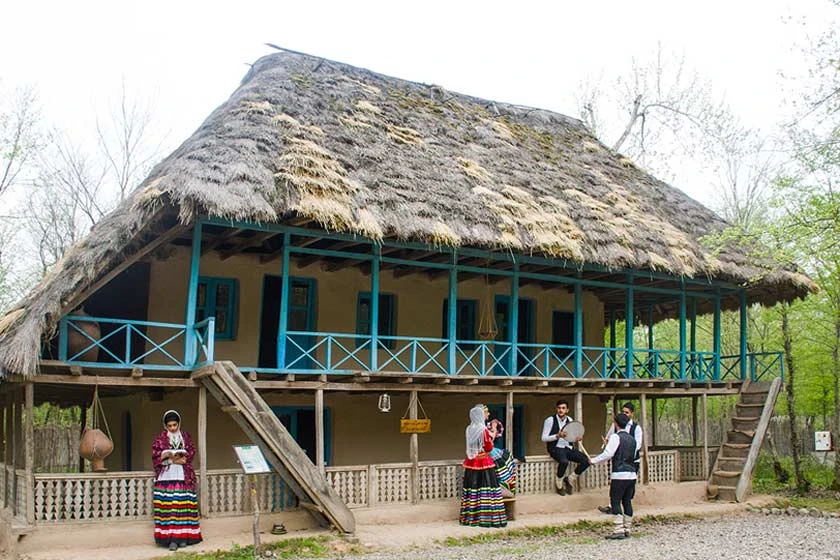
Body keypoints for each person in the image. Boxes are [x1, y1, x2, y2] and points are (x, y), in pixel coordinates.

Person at [152, 410, 203, 551]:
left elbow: (191, 451)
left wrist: (183, 458)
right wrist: (168, 456)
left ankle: (183, 538)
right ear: (165, 426)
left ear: (179, 423)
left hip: (182, 474)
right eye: (170, 426)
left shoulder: (185, 436)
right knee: (169, 506)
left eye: (175, 425)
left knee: (182, 505)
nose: (173, 428)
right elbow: (155, 455)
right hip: (167, 476)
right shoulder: (161, 438)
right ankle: (171, 540)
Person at [589, 413, 638, 539]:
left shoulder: (616, 437)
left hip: (619, 474)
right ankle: (627, 528)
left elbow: (608, 453)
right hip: (632, 474)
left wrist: (594, 460)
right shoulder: (632, 439)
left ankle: (618, 530)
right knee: (627, 501)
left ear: (616, 424)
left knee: (615, 501)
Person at [459, 405, 507, 528]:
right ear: (480, 415)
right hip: (484, 460)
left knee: (473, 488)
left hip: (472, 460)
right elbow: (488, 447)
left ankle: (471, 517)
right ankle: (488, 517)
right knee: (488, 488)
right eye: (486, 413)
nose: (488, 415)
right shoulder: (483, 430)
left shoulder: (469, 429)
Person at [598, 402, 643, 514]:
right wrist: (608, 444)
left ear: (632, 414)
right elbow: (608, 440)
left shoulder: (636, 428)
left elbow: (637, 445)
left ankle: (625, 508)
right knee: (616, 486)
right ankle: (612, 506)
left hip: (631, 461)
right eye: (623, 412)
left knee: (628, 487)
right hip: (618, 461)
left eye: (627, 412)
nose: (625, 414)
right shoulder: (615, 426)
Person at [541, 399, 590, 495]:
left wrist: (577, 438)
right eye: (559, 408)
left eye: (563, 408)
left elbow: (572, 437)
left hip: (568, 447)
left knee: (586, 460)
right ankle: (559, 484)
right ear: (556, 409)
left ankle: (570, 479)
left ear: (567, 410)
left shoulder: (570, 420)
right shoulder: (550, 420)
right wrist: (557, 436)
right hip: (555, 448)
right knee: (564, 462)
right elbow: (543, 438)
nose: (561, 410)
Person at [483, 405, 517, 497]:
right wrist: (494, 428)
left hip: (488, 451)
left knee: (506, 460)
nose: (488, 414)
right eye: (486, 412)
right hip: (488, 452)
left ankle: (502, 487)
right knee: (501, 466)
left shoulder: (483, 425)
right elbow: (491, 438)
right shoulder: (482, 427)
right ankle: (500, 488)